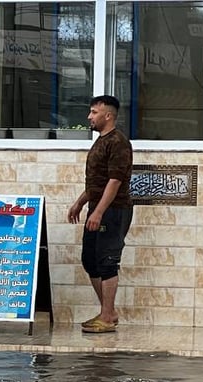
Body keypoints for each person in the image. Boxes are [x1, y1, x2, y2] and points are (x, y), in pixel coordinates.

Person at [68, 95, 133, 334]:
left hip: (113, 210)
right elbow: (97, 182)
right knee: (89, 259)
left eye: (94, 112)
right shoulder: (100, 142)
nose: (89, 117)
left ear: (108, 115)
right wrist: (80, 203)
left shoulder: (118, 142)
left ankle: (107, 315)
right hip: (98, 207)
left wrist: (98, 212)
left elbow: (114, 182)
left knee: (107, 261)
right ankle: (108, 311)